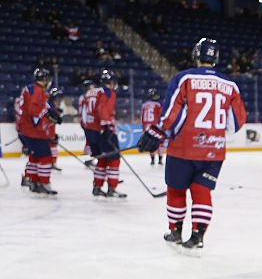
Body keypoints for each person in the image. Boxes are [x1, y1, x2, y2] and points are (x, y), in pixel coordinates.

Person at [136, 38, 247, 256]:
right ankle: (198, 236)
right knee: (202, 190)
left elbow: (172, 110)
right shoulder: (230, 85)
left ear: (196, 55)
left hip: (184, 147)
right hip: (214, 149)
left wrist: (159, 131)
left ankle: (175, 231)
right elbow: (236, 121)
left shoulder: (184, 78)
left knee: (176, 189)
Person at [15, 68, 59, 195]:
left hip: (26, 129)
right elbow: (34, 111)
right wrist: (47, 115)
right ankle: (43, 183)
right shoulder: (37, 91)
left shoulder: (29, 89)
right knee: (45, 157)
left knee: (35, 157)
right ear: (44, 79)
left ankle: (34, 182)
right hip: (33, 131)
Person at [83, 69, 124, 199]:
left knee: (101, 159)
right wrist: (106, 126)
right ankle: (112, 188)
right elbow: (102, 109)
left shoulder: (90, 92)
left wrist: (87, 130)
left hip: (90, 130)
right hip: (103, 130)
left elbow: (83, 112)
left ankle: (97, 187)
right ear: (110, 82)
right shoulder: (108, 92)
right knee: (114, 159)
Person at [139, 88, 164, 165]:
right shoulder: (158, 105)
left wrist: (143, 127)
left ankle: (152, 159)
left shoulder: (144, 105)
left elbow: (142, 117)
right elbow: (161, 115)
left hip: (146, 126)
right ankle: (160, 159)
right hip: (155, 125)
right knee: (160, 142)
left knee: (150, 142)